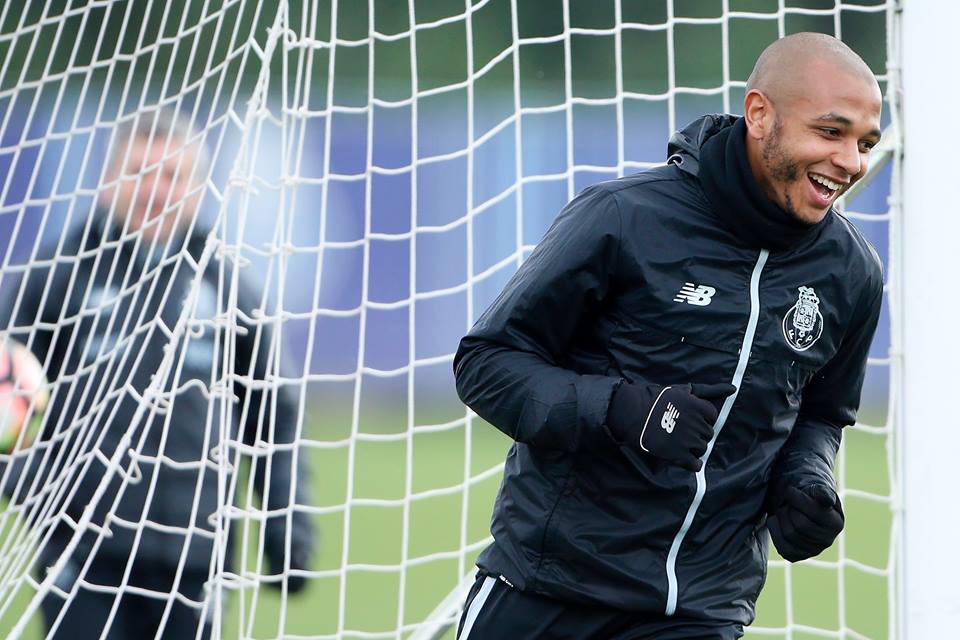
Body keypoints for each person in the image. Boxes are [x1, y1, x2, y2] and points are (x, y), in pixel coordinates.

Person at [452, 32, 884, 639]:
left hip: (703, 609)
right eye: (830, 132)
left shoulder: (852, 272)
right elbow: (486, 362)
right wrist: (622, 408)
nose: (852, 162)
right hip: (548, 589)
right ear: (760, 114)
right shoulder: (622, 217)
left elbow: (822, 414)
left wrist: (806, 478)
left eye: (864, 143)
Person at [0, 109, 315, 638]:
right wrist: (42, 497)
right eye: (139, 173)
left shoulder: (225, 282)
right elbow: (7, 392)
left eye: (171, 175)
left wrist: (287, 523)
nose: (154, 191)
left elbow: (271, 412)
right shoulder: (60, 274)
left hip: (195, 555)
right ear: (107, 181)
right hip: (82, 555)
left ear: (196, 188)